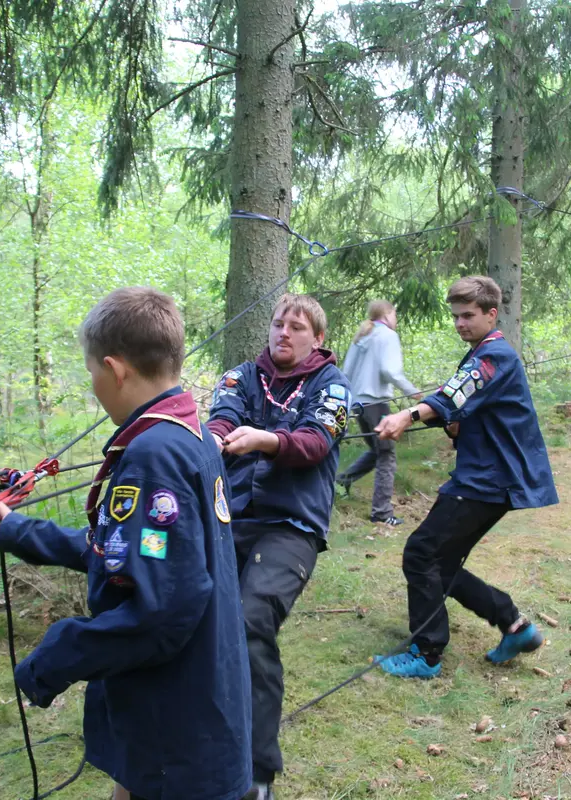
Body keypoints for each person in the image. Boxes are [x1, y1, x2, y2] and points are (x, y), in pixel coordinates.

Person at [0, 287, 251, 800]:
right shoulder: (188, 434)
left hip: (178, 718)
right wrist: (14, 529)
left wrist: (55, 657)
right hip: (185, 708)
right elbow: (123, 551)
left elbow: (162, 612)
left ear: (114, 368)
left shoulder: (154, 456)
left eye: (91, 373)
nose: (94, 386)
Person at [373, 276, 558, 679]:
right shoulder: (482, 353)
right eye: (456, 316)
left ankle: (426, 653)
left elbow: (455, 395)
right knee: (441, 561)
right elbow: (464, 411)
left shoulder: (494, 356)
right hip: (489, 478)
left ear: (492, 314)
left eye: (468, 315)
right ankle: (514, 626)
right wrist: (451, 424)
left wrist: (408, 414)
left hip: (487, 481)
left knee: (422, 554)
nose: (460, 323)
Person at [207, 293, 350, 800]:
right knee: (197, 619)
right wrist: (211, 440)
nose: (283, 333)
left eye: (296, 327)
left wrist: (263, 440)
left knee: (249, 622)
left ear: (317, 338)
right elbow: (219, 420)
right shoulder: (242, 376)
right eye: (277, 324)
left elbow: (313, 443)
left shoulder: (332, 386)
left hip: (292, 527)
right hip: (231, 522)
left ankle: (257, 774)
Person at [337, 299, 421, 526]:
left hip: (359, 403)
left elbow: (345, 372)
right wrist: (413, 392)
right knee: (387, 455)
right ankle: (382, 513)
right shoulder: (387, 336)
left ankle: (342, 480)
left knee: (376, 449)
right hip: (377, 402)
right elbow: (390, 370)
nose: (396, 319)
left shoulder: (362, 336)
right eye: (395, 314)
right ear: (387, 314)